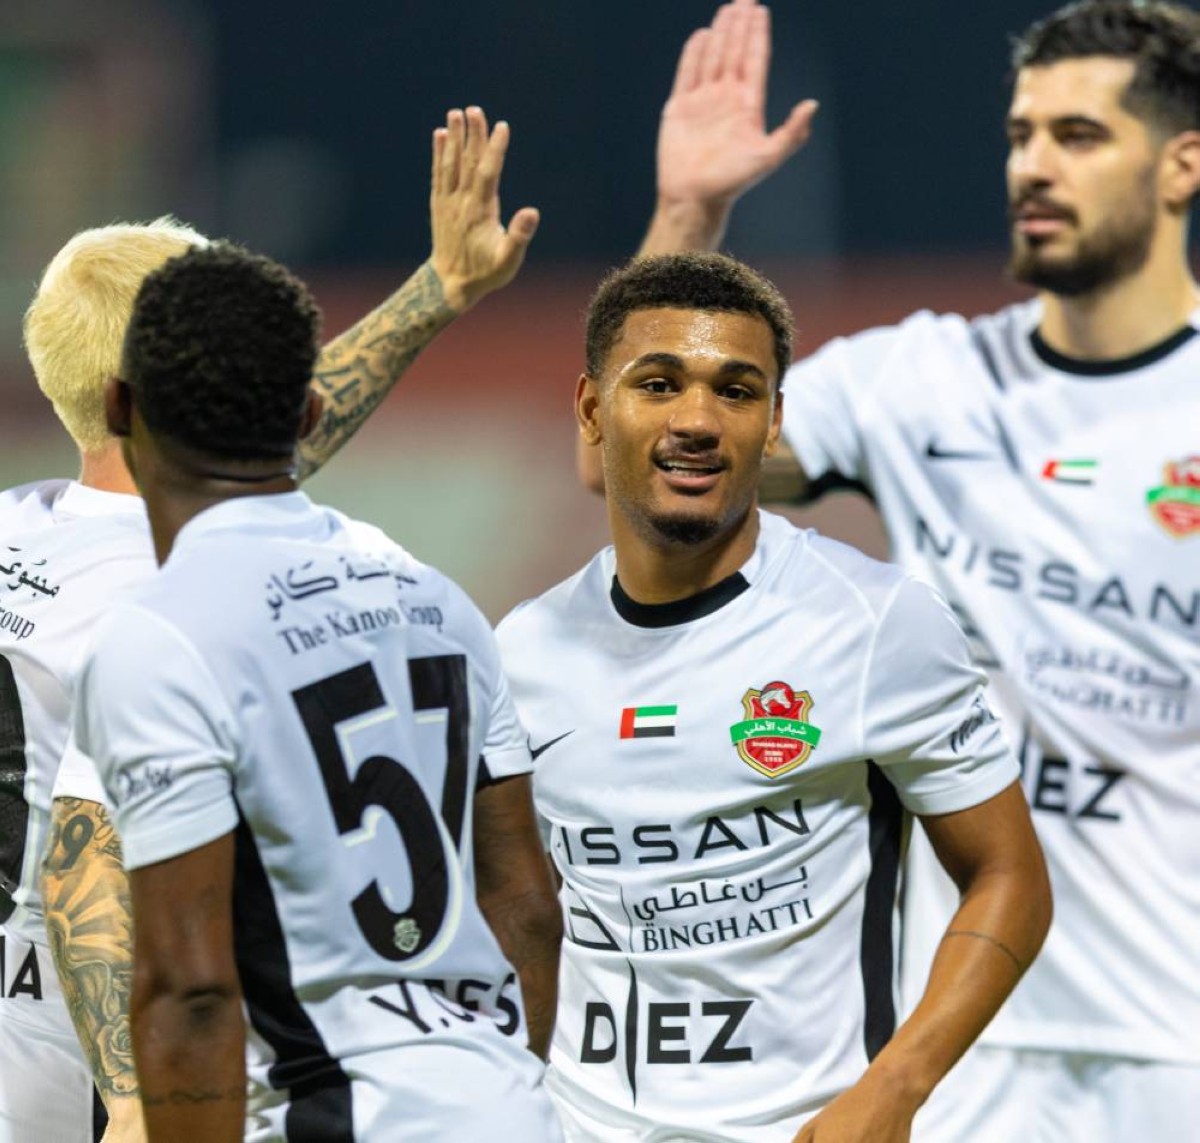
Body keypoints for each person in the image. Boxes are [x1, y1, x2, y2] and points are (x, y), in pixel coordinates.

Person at [619, 1, 1200, 1137]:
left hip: (1178, 1038)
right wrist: (689, 217)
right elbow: (632, 467)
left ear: (1183, 163)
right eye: (1022, 134)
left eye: (1079, 136)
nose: (1034, 165)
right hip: (957, 1047)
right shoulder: (922, 382)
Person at [1, 106, 539, 1142]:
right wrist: (133, 1106)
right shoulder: (174, 597)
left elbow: (254, 441)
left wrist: (440, 289)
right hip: (98, 1055)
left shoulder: (23, 523)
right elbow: (89, 864)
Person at [500, 251, 1051, 1142]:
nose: (696, 420)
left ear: (773, 423)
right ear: (593, 410)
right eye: (658, 384)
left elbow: (1010, 875)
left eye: (736, 391)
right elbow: (519, 913)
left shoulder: (876, 623)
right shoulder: (522, 649)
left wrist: (895, 1088)